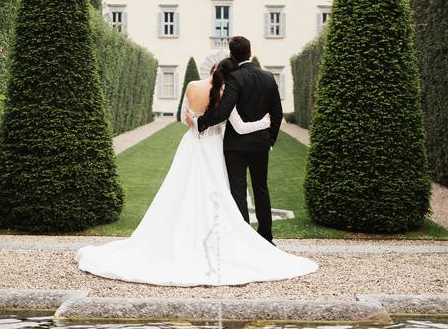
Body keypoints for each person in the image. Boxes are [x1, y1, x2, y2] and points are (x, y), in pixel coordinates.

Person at [75, 54, 316, 286]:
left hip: (191, 143)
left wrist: (196, 122)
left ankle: (180, 235)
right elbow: (238, 126)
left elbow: (184, 118)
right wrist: (264, 123)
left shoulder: (191, 85)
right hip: (212, 146)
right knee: (218, 191)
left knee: (181, 188)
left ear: (212, 69)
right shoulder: (223, 93)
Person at [188, 36, 282, 243]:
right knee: (261, 189)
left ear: (231, 54)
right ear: (250, 51)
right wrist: (270, 140)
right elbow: (278, 112)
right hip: (260, 145)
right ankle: (266, 237)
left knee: (238, 191)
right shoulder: (268, 77)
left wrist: (200, 123)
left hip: (235, 147)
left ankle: (245, 238)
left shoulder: (234, 78)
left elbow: (223, 112)